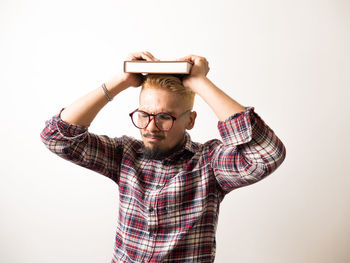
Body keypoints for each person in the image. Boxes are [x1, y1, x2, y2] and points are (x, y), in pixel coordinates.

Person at [40, 51, 286, 263]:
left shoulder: (209, 164)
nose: (150, 127)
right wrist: (120, 81)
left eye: (165, 117)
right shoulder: (125, 155)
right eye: (144, 114)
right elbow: (56, 137)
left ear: (190, 120)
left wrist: (200, 83)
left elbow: (267, 155)